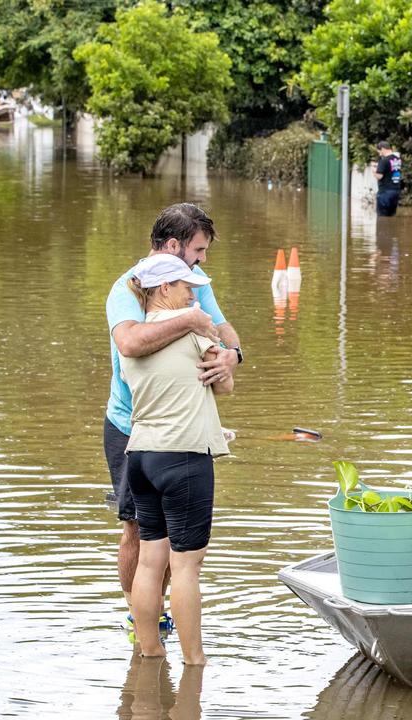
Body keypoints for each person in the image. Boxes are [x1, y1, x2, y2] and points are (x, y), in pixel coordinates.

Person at [105, 203, 242, 632]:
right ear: (171, 246)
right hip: (131, 427)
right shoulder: (125, 290)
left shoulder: (193, 287)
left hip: (186, 430)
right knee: (138, 533)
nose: (202, 261)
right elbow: (129, 343)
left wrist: (232, 358)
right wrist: (189, 321)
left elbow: (226, 333)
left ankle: (159, 627)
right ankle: (140, 622)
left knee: (171, 546)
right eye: (198, 250)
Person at [121, 253, 233, 663]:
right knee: (185, 568)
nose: (193, 295)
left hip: (141, 456)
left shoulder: (130, 339)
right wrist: (227, 361)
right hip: (184, 458)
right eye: (187, 287)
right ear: (164, 289)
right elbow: (223, 386)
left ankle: (148, 654)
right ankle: (194, 664)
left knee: (151, 561)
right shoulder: (192, 334)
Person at [374, 141, 403, 216]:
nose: (379, 154)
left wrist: (374, 171)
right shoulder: (398, 160)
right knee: (391, 217)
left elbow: (379, 176)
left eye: (379, 151)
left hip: (385, 192)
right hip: (396, 191)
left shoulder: (384, 161)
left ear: (383, 149)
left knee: (382, 218)